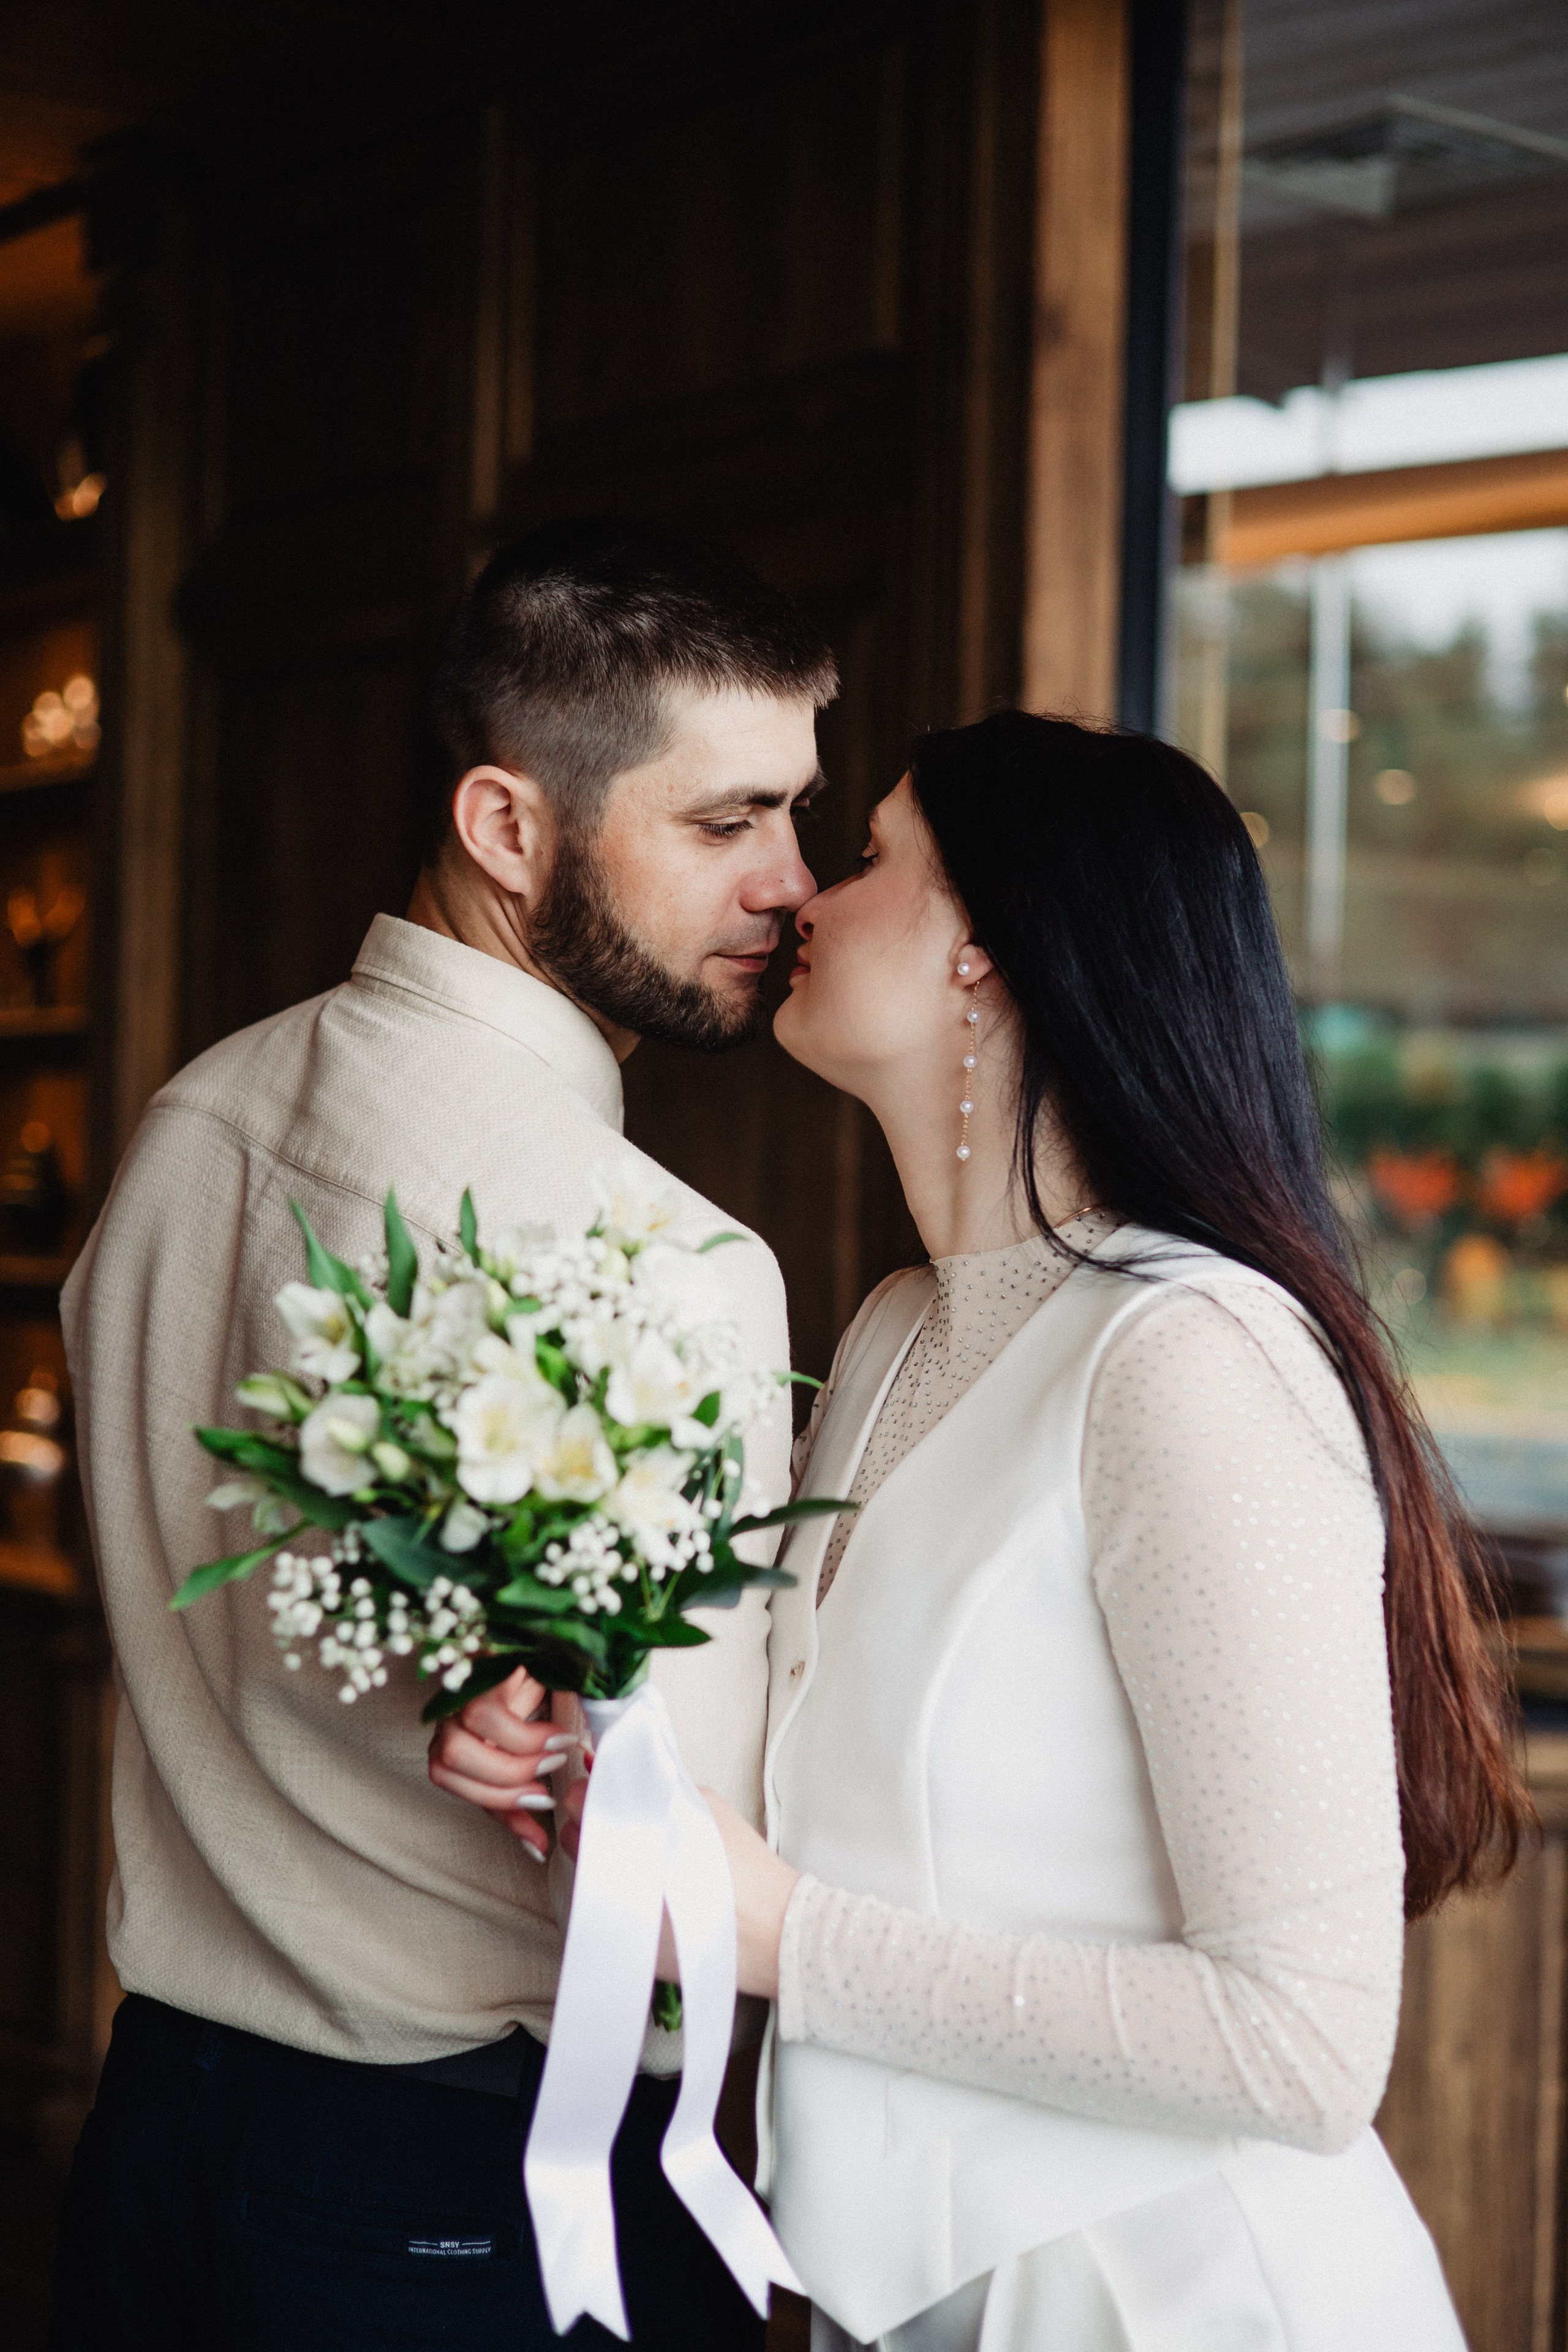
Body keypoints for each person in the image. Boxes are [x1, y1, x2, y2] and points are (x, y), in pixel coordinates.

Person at [570, 709, 1523, 2349]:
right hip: (914, 2299)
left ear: (986, 957)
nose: (802, 890)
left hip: (1169, 2298)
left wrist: (791, 1937)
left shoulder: (1187, 1361)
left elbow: (1304, 2044)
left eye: (868, 858)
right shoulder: (884, 1337)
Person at [52, 518, 837, 2351]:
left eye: (799, 814)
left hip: (162, 2133)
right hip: (472, 2194)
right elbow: (677, 1876)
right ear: (509, 828)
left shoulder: (192, 1125)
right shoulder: (667, 1267)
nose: (794, 883)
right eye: (725, 824)